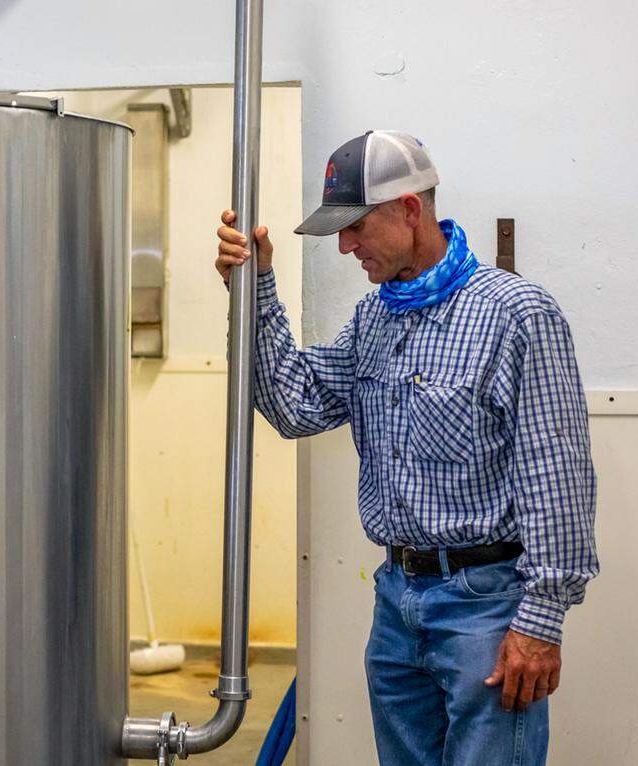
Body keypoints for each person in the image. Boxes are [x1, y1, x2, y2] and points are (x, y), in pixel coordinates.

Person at [214, 130, 598, 765]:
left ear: (409, 210)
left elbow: (556, 476)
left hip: (485, 609)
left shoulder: (516, 315)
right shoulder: (375, 319)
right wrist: (255, 289)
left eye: (355, 227)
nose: (345, 246)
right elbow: (295, 406)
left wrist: (541, 621)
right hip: (397, 602)